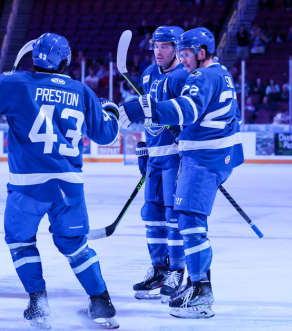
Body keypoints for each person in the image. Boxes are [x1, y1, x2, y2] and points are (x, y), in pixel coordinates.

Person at [0, 33, 120, 330]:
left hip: (28, 186)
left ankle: (39, 303)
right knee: (75, 246)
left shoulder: (13, 82)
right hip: (69, 187)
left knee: (21, 242)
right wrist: (110, 110)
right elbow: (107, 135)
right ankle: (101, 302)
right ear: (65, 58)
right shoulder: (82, 91)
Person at [118, 27, 244, 319]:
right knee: (188, 220)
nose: (183, 60)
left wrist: (144, 108)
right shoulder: (221, 73)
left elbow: (186, 110)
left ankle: (201, 292)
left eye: (186, 54)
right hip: (207, 156)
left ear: (201, 53)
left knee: (189, 220)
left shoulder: (203, 75)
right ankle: (196, 285)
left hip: (204, 158)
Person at [135, 26, 187, 303]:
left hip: (176, 158)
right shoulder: (147, 73)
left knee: (174, 216)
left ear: (177, 48)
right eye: (156, 45)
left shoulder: (183, 77)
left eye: (165, 46)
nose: (158, 51)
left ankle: (178, 271)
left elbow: (192, 113)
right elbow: (148, 115)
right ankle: (159, 269)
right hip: (155, 156)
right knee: (151, 216)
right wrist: (144, 147)